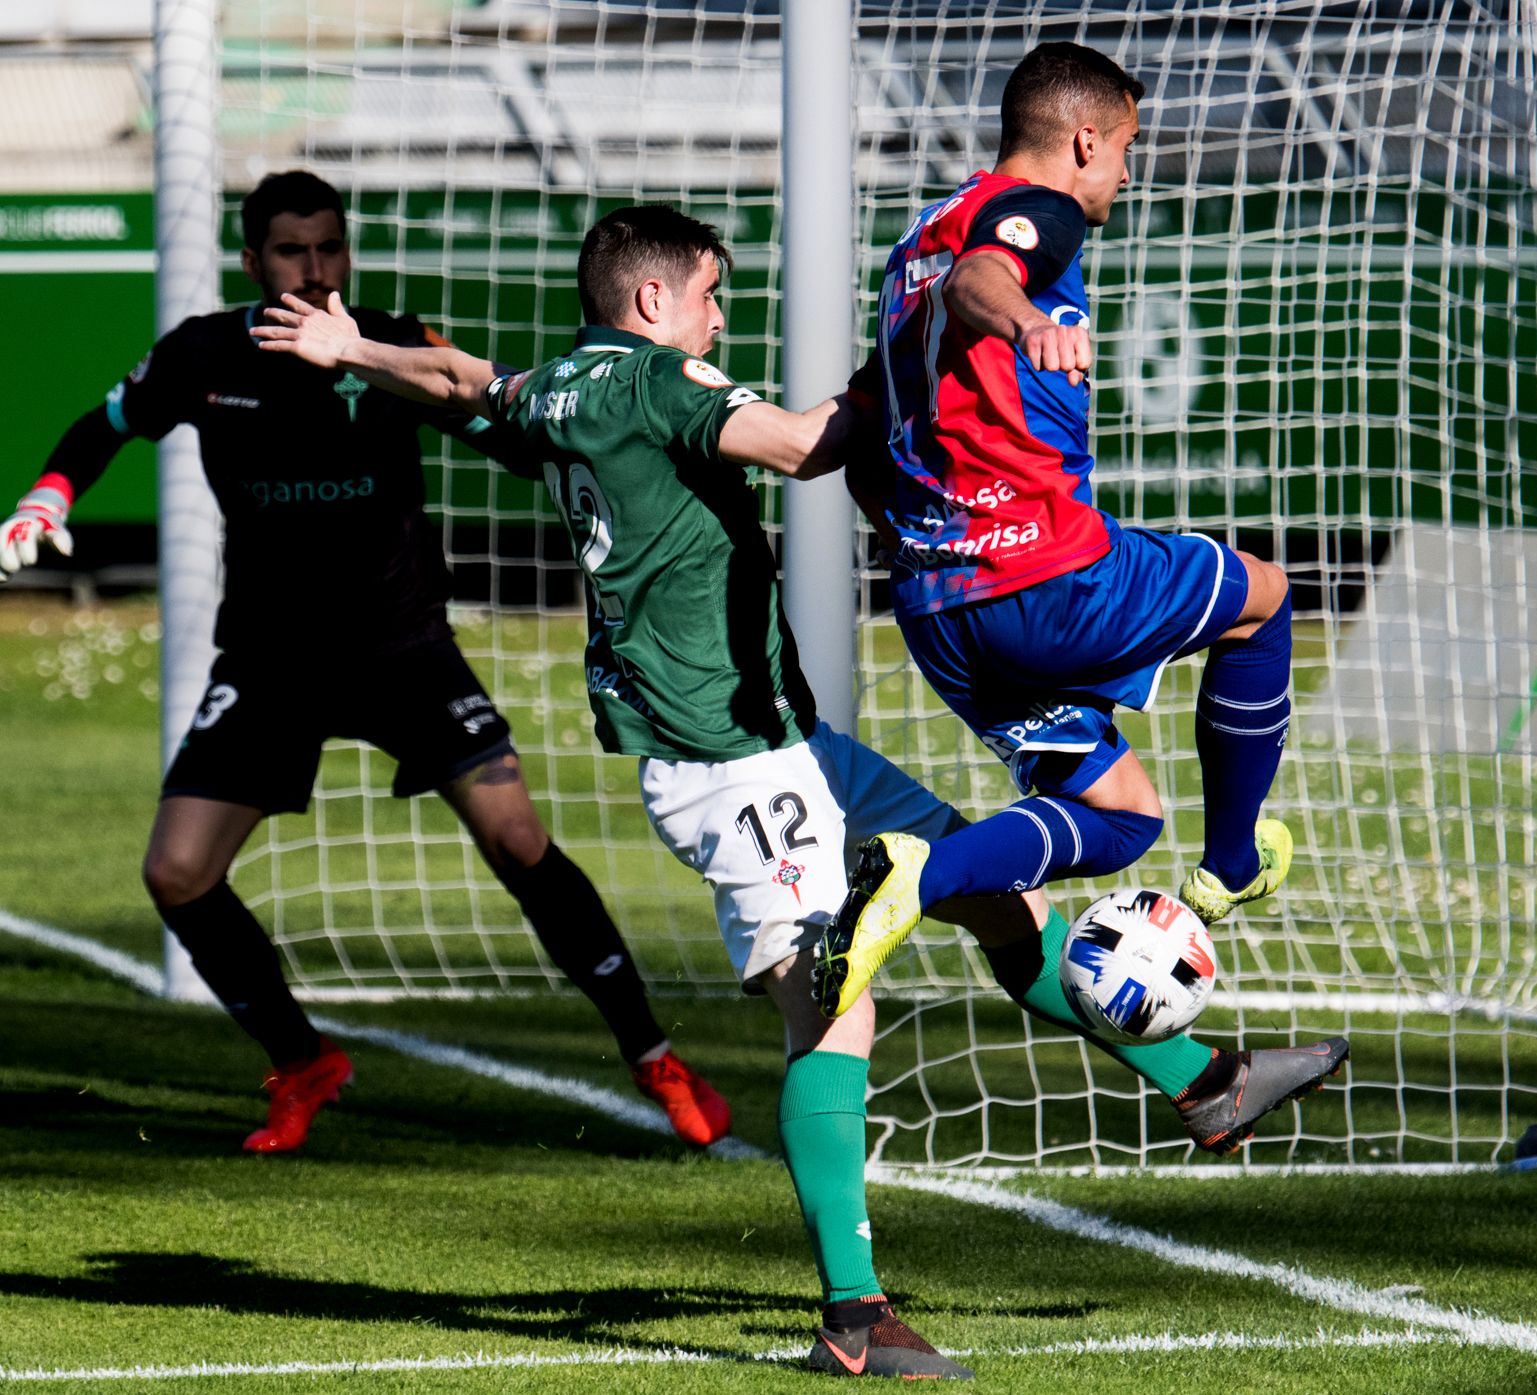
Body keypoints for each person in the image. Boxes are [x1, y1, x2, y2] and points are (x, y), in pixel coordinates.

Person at [255, 203, 1343, 1379]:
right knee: (829, 1010)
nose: (720, 316)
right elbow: (800, 444)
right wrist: (914, 343)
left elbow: (469, 381)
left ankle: (1206, 1088)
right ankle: (853, 1315)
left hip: (786, 740)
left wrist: (355, 350)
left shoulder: (565, 386)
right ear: (654, 301)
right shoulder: (653, 384)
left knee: (999, 900)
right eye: (712, 295)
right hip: (727, 768)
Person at [0, 170, 729, 1155]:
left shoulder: (391, 348)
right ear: (253, 263)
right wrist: (47, 499)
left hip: (402, 647)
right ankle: (301, 1061)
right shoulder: (204, 352)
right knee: (176, 872)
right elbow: (103, 427)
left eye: (329, 247)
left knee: (516, 840)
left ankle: (652, 1055)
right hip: (269, 657)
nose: (315, 268)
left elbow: (517, 435)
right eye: (292, 251)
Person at [818, 46, 1338, 1149]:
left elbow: (867, 416)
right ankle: (1233, 864)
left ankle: (1194, 1078)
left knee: (1118, 820)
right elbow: (985, 281)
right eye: (1126, 153)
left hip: (938, 607)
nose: (1122, 179)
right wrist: (1024, 322)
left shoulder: (909, 247)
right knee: (1263, 598)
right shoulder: (1030, 211)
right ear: (1087, 139)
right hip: (1041, 574)